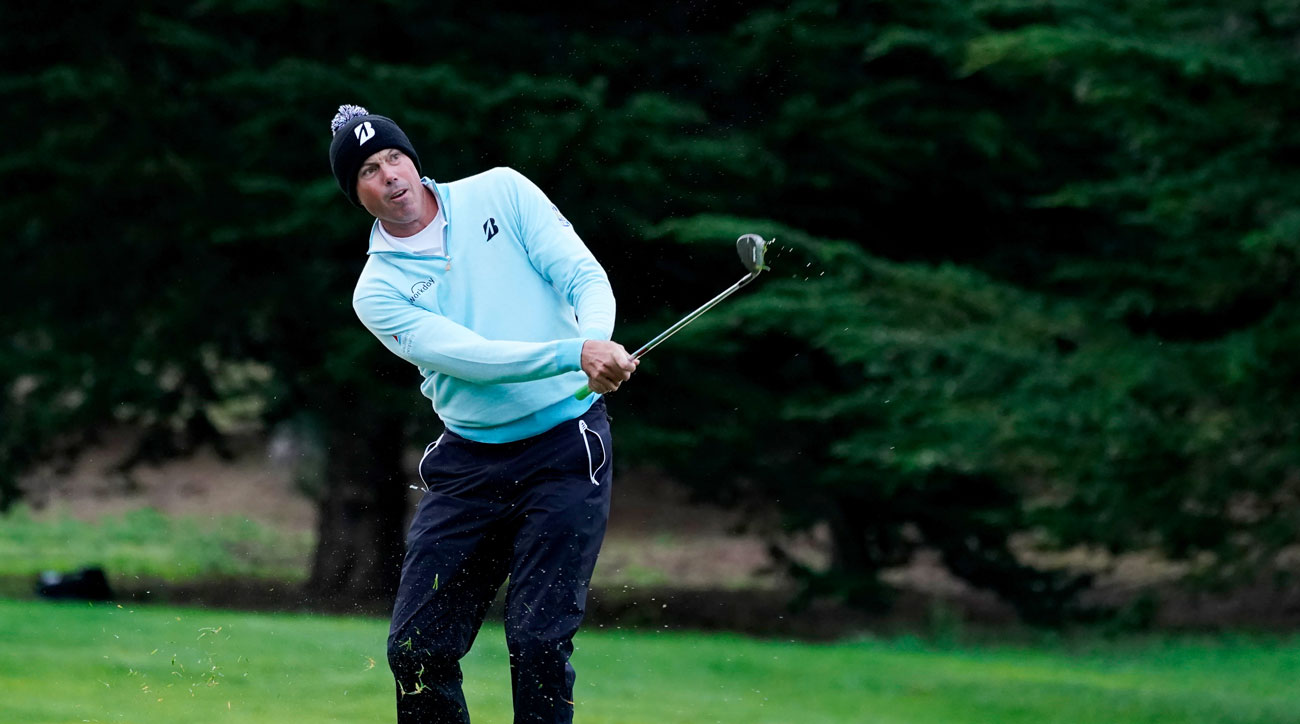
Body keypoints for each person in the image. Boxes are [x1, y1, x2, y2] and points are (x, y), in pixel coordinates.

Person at [327, 104, 637, 724]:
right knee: (416, 649)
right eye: (368, 169)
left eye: (393, 157)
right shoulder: (378, 290)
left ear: (412, 160)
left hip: (565, 449)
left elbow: (579, 274)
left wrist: (596, 343)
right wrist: (573, 352)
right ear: (355, 192)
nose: (389, 175)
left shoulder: (502, 190)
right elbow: (473, 359)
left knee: (538, 640)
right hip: (470, 465)